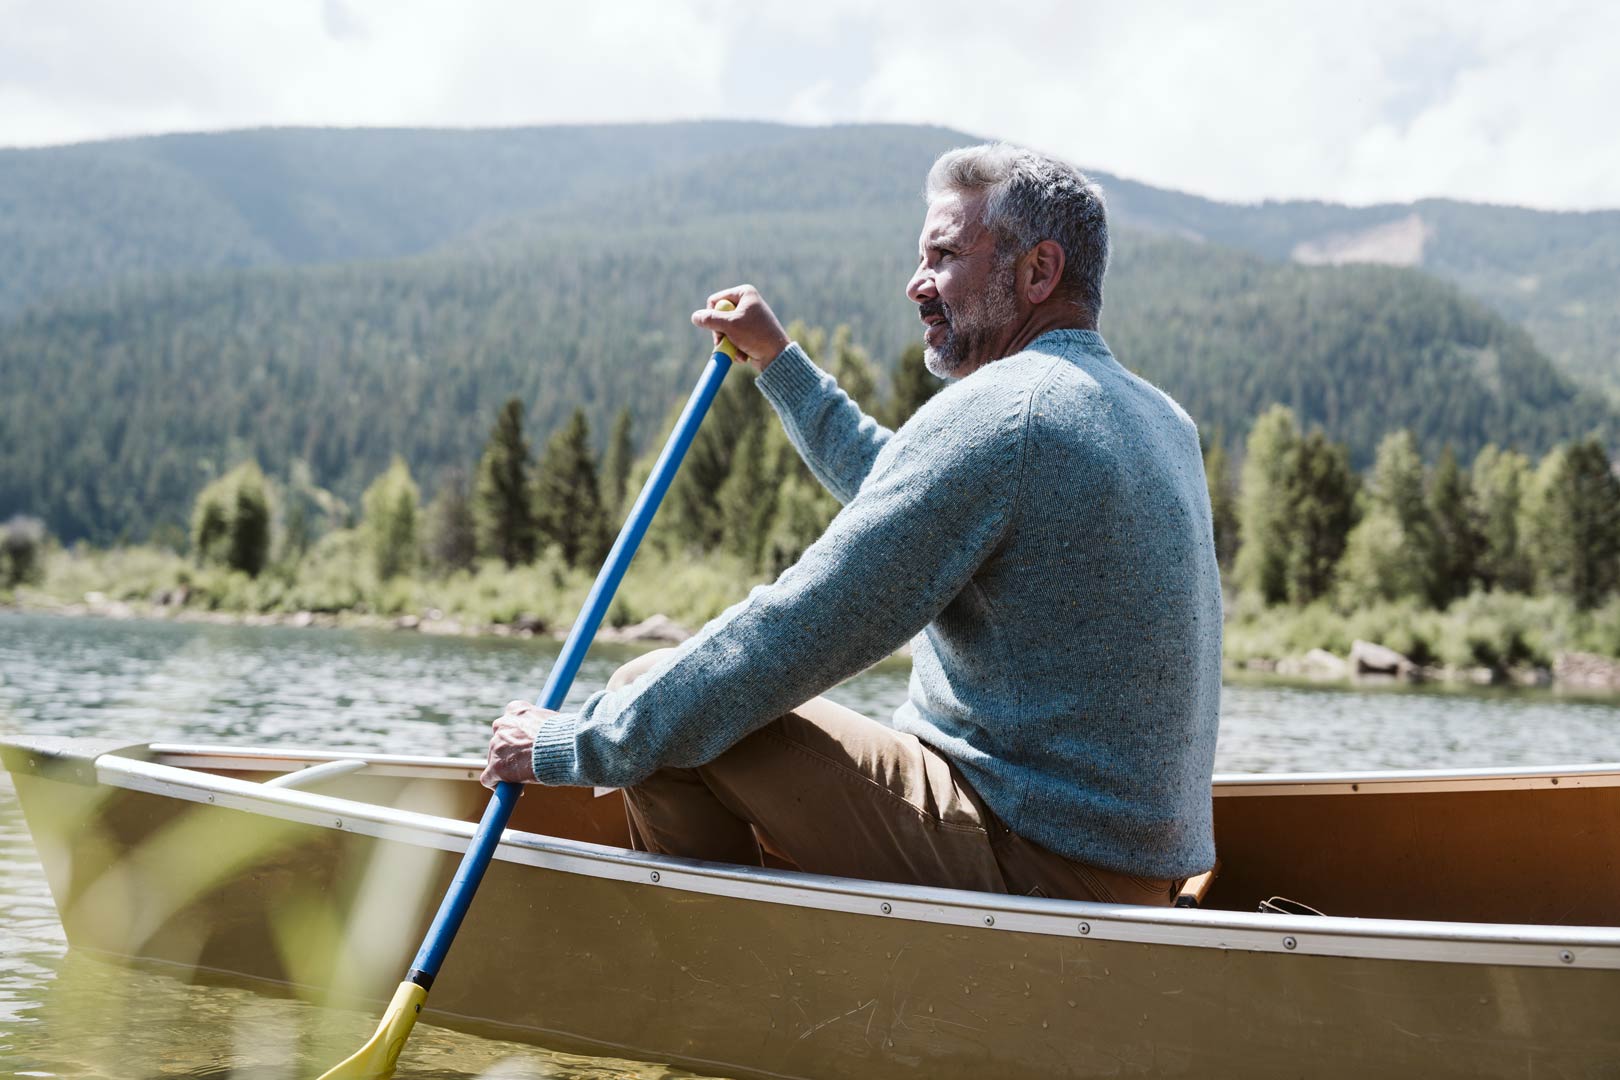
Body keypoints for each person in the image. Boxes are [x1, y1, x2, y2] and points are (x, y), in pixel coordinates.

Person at [482, 143, 1222, 905]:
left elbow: (799, 628)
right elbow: (905, 492)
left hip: (1035, 863)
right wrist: (781, 363)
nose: (916, 283)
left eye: (943, 254)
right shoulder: (1157, 416)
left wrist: (581, 744)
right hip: (1137, 875)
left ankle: (716, 984)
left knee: (656, 691)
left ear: (1038, 272)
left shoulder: (1009, 413)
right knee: (677, 705)